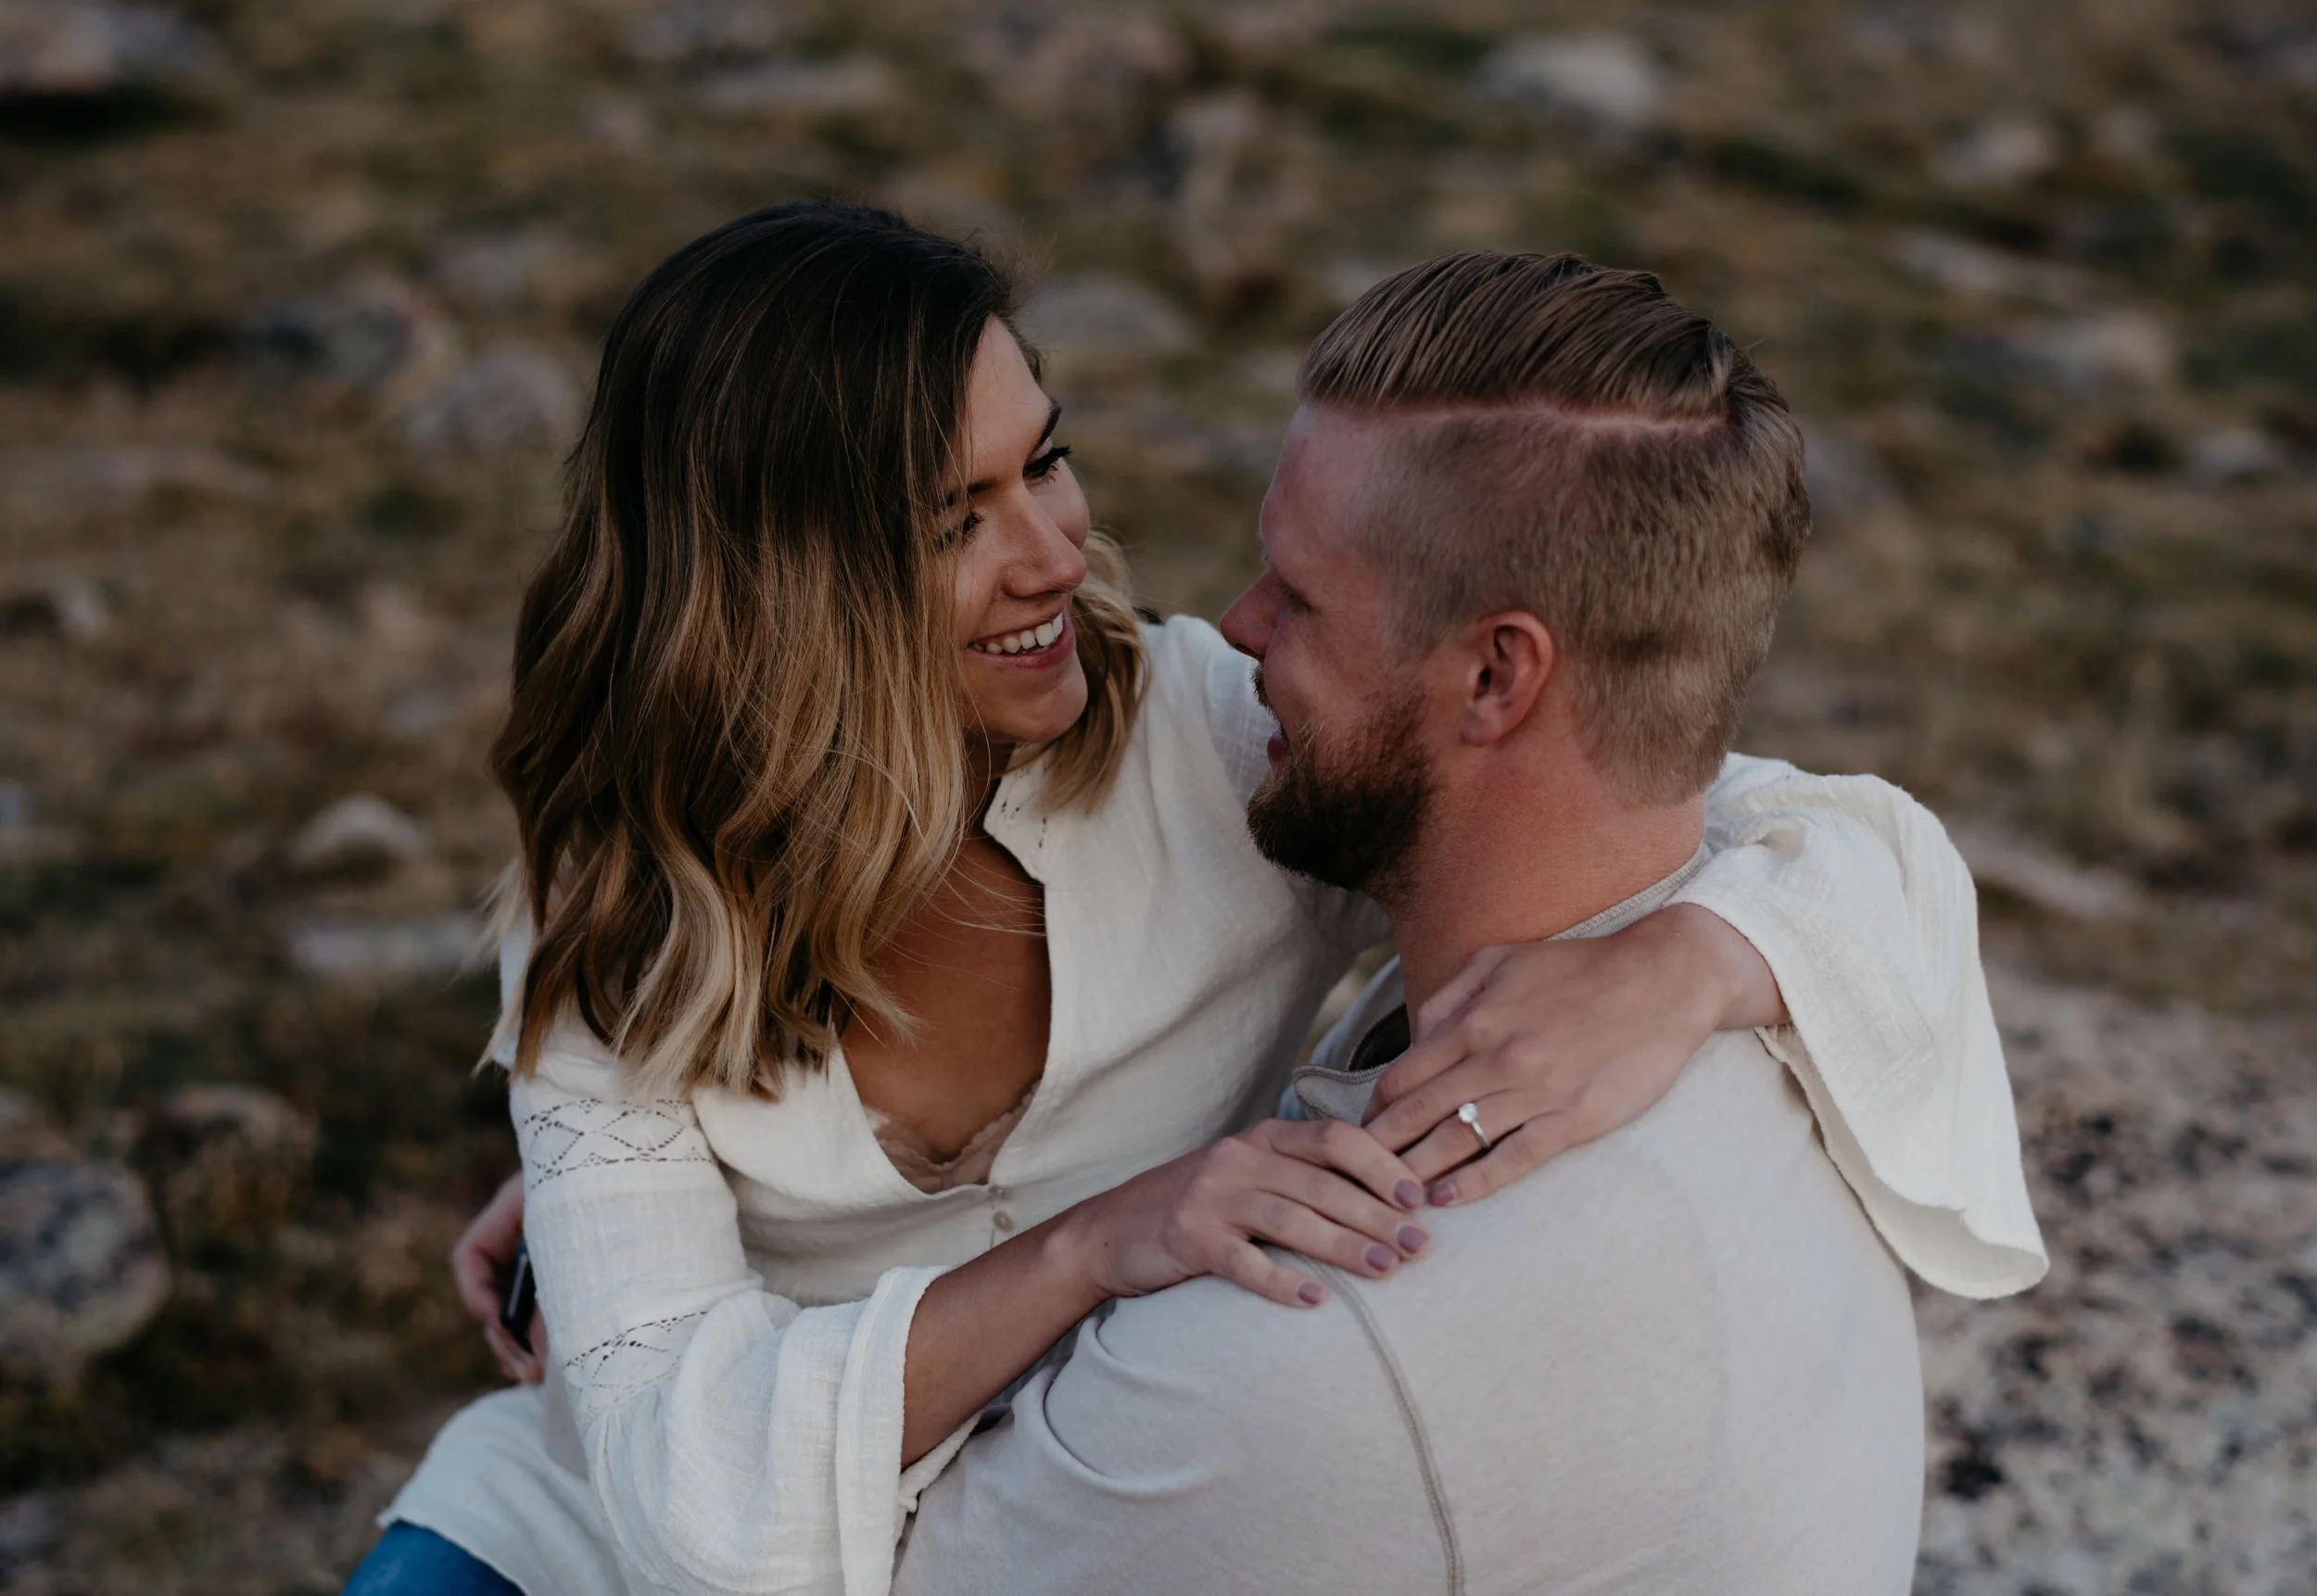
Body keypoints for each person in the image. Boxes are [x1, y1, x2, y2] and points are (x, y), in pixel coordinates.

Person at [347, 206, 2038, 1596]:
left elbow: (1746, 811)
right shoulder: (618, 927)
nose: (1061, 554)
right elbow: (653, 1475)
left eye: (1047, 461)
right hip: (584, 1546)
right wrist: (1095, 1243)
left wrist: (1693, 957)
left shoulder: (1213, 748)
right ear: (793, 586)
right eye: (961, 518)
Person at [888, 252, 2042, 1596]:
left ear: (1496, 673)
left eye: (1299, 595)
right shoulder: (1738, 967)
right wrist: (1707, 954)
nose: (1238, 625)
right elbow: (1829, 823)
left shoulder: (1325, 1335)